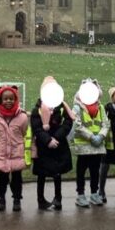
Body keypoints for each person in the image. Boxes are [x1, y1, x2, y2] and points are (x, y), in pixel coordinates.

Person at [31, 77, 74, 211]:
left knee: (57, 173)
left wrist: (56, 137)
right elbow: (36, 128)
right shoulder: (37, 109)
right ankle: (41, 199)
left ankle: (58, 198)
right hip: (44, 146)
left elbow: (68, 123)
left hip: (58, 145)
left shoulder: (62, 108)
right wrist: (47, 140)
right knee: (42, 174)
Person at [0, 85, 29, 212]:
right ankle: (2, 198)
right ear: (0, 100)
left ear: (15, 99)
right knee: (2, 179)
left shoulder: (22, 117)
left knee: (17, 179)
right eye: (5, 99)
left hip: (16, 152)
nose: (8, 101)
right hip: (1, 153)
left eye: (11, 99)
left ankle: (17, 199)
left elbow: (23, 133)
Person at [70, 78, 109, 207]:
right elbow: (77, 125)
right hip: (83, 147)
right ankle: (80, 195)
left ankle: (94, 193)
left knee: (95, 171)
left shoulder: (101, 107)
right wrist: (92, 137)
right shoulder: (77, 108)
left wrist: (101, 136)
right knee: (81, 171)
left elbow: (106, 124)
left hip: (97, 147)